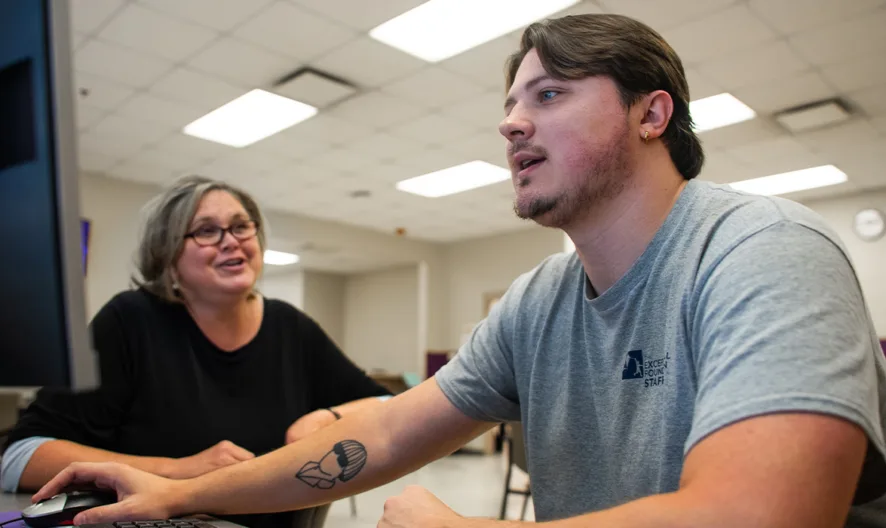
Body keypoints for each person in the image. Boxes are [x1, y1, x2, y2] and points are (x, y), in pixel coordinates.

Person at [31, 13, 886, 528]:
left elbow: (765, 516)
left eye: (549, 94)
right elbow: (394, 433)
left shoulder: (760, 248)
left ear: (650, 112)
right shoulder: (539, 301)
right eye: (510, 103)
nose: (512, 123)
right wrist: (174, 496)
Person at [2, 176, 391, 528]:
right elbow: (21, 457)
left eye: (241, 226)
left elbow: (385, 404)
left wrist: (329, 415)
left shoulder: (290, 326)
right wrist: (178, 470)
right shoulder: (131, 320)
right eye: (206, 231)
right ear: (168, 257)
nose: (231, 240)